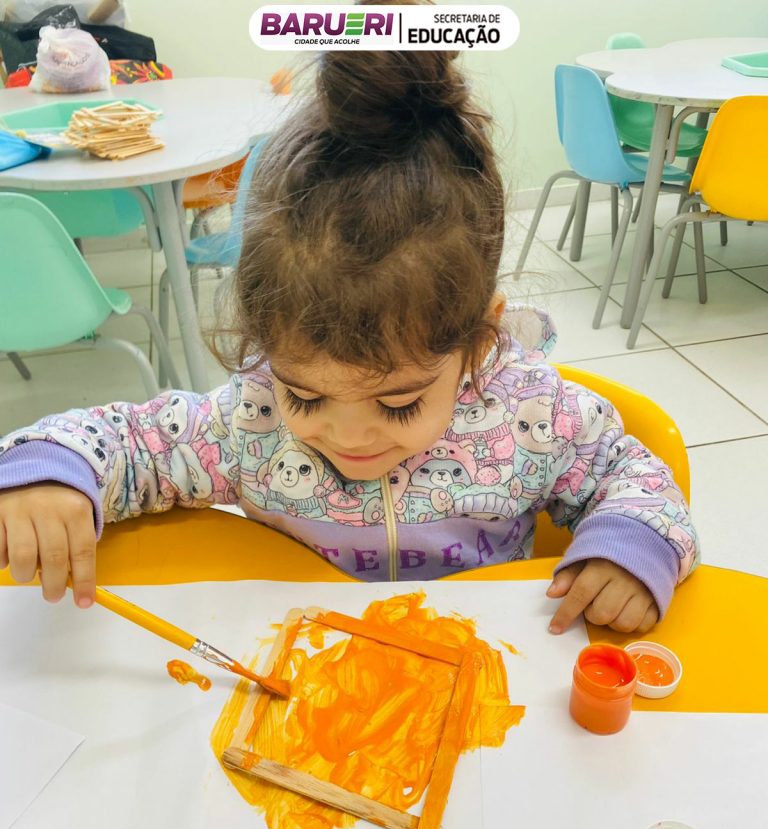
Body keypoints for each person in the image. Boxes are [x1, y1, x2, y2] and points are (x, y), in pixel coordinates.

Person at [0, 38, 699, 636]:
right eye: (306, 396)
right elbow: (127, 444)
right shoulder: (249, 422)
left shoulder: (533, 417)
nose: (348, 435)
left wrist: (629, 550)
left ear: (478, 344)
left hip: (480, 664)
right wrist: (50, 475)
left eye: (398, 403)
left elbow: (632, 477)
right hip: (302, 664)